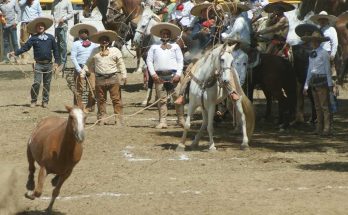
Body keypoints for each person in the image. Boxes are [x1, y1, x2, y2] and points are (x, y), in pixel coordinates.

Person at [9, 17, 59, 108]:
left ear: (45, 27)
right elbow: (25, 48)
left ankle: (45, 101)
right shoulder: (33, 38)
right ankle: (33, 100)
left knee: (47, 84)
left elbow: (56, 50)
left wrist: (57, 62)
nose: (40, 27)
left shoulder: (51, 38)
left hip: (49, 64)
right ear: (36, 28)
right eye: (38, 26)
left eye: (42, 25)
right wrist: (15, 53)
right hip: (38, 64)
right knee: (37, 83)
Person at [83, 30, 127, 126]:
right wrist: (83, 71)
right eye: (102, 40)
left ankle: (118, 118)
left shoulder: (115, 51)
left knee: (116, 99)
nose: (104, 41)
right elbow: (88, 62)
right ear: (99, 41)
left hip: (113, 77)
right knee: (101, 99)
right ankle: (102, 118)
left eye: (106, 39)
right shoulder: (95, 51)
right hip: (99, 78)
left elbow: (121, 63)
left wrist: (124, 75)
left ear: (109, 41)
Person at [146, 22, 185, 129]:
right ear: (160, 35)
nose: (165, 35)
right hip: (159, 77)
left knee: (177, 98)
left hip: (173, 76)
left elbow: (180, 61)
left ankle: (181, 119)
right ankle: (163, 121)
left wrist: (178, 74)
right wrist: (153, 74)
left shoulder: (175, 46)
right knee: (162, 100)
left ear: (170, 35)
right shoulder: (154, 47)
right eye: (163, 33)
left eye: (167, 33)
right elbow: (149, 61)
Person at [302, 31, 333, 136]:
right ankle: (319, 128)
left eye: (315, 41)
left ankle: (327, 128)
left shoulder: (324, 53)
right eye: (312, 41)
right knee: (317, 106)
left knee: (324, 106)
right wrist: (306, 85)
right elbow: (309, 70)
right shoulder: (311, 54)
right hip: (314, 81)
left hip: (322, 80)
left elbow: (328, 69)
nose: (313, 43)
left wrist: (330, 85)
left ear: (319, 42)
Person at [70, 23, 97, 111]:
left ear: (88, 34)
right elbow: (73, 57)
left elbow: (96, 55)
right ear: (79, 34)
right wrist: (79, 69)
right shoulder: (76, 44)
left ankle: (90, 106)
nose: (84, 34)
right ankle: (78, 106)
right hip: (80, 67)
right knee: (79, 88)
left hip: (90, 68)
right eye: (82, 32)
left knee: (93, 87)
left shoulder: (93, 44)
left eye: (85, 32)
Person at [310, 11, 338, 78]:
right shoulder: (317, 30)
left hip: (327, 53)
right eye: (320, 20)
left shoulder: (331, 29)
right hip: (317, 53)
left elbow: (335, 42)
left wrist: (333, 54)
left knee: (329, 74)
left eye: (324, 19)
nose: (322, 21)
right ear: (319, 21)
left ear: (327, 20)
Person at [51, 0, 73, 69]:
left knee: (62, 45)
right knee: (57, 44)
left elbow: (71, 14)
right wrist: (53, 19)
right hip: (56, 26)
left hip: (63, 26)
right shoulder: (54, 2)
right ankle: (58, 61)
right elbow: (52, 13)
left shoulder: (67, 2)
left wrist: (64, 18)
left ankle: (63, 63)